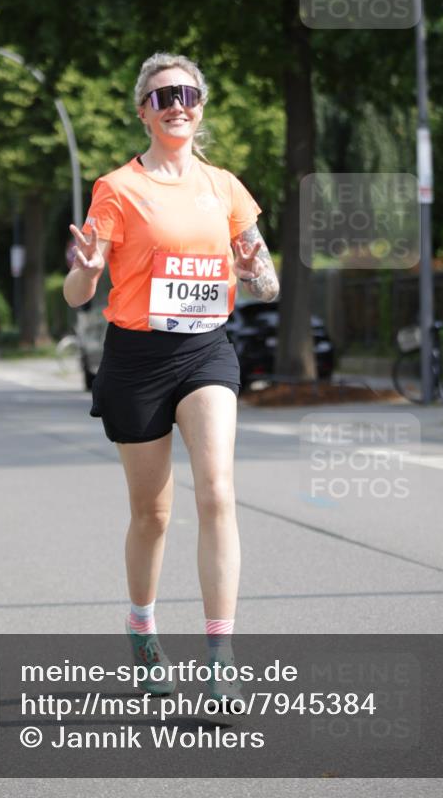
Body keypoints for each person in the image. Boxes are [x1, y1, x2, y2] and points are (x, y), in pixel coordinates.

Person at [64, 53, 279, 708]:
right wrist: (87, 268)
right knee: (152, 514)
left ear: (200, 105)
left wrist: (254, 270)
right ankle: (142, 628)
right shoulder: (116, 188)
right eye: (162, 96)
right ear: (144, 112)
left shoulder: (226, 188)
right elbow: (77, 293)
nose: (176, 104)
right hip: (135, 359)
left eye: (187, 93)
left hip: (205, 351)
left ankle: (220, 657)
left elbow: (268, 285)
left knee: (216, 492)